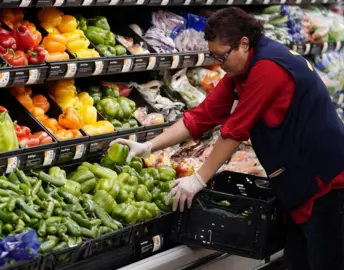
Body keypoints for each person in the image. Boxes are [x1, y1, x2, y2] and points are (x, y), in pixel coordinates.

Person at [111, 7, 344, 270]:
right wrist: (148, 146)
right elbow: (202, 115)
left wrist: (199, 179)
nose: (218, 63)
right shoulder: (242, 68)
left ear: (243, 44)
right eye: (213, 56)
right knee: (298, 261)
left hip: (324, 182)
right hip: (299, 180)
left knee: (325, 261)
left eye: (221, 56)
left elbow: (234, 130)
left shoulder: (268, 68)